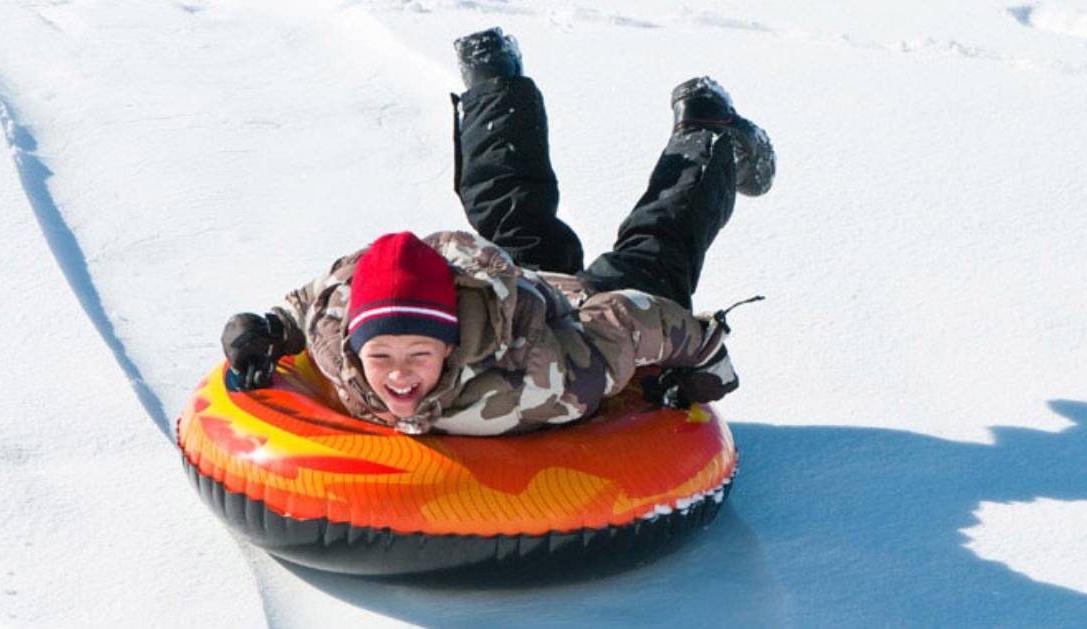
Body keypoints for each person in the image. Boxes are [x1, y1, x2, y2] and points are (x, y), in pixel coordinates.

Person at [220, 27, 776, 436]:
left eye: (419, 353)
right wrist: (266, 329)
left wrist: (709, 361)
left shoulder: (542, 381)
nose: (399, 375)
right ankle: (493, 79)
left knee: (656, 250)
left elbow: (631, 322)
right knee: (504, 206)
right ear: (354, 346)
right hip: (508, 284)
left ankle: (709, 128)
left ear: (450, 343)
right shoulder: (335, 340)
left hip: (579, 319)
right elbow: (314, 305)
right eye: (381, 355)